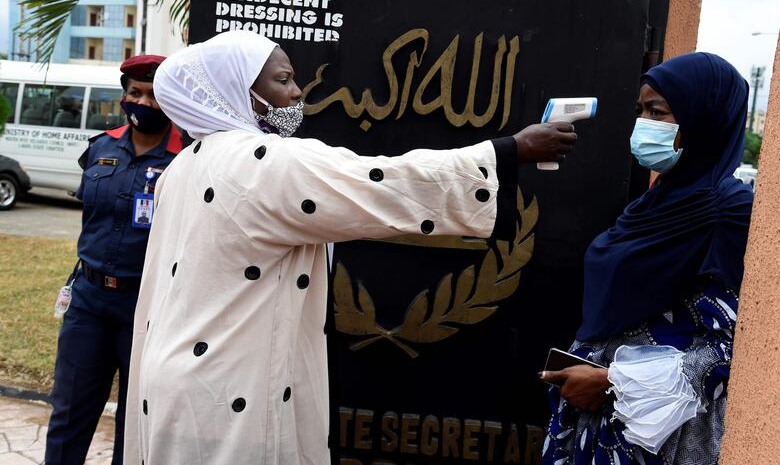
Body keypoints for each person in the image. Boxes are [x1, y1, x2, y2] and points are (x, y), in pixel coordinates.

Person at [121, 30, 578, 465]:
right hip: (231, 387)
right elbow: (380, 183)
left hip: (176, 381)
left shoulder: (185, 165)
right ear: (238, 92)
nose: (298, 92)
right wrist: (507, 151)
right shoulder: (264, 161)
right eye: (282, 81)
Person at [540, 52, 753, 464]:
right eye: (640, 111)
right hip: (591, 420)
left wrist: (614, 383)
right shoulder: (652, 203)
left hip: (655, 433)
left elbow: (732, 346)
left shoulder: (729, 212)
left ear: (703, 120)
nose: (643, 125)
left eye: (658, 112)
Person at [45, 55, 184, 465]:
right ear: (124, 96)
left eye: (156, 96)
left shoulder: (187, 157)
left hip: (147, 307)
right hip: (88, 300)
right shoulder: (100, 148)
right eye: (135, 93)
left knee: (136, 417)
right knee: (70, 409)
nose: (144, 103)